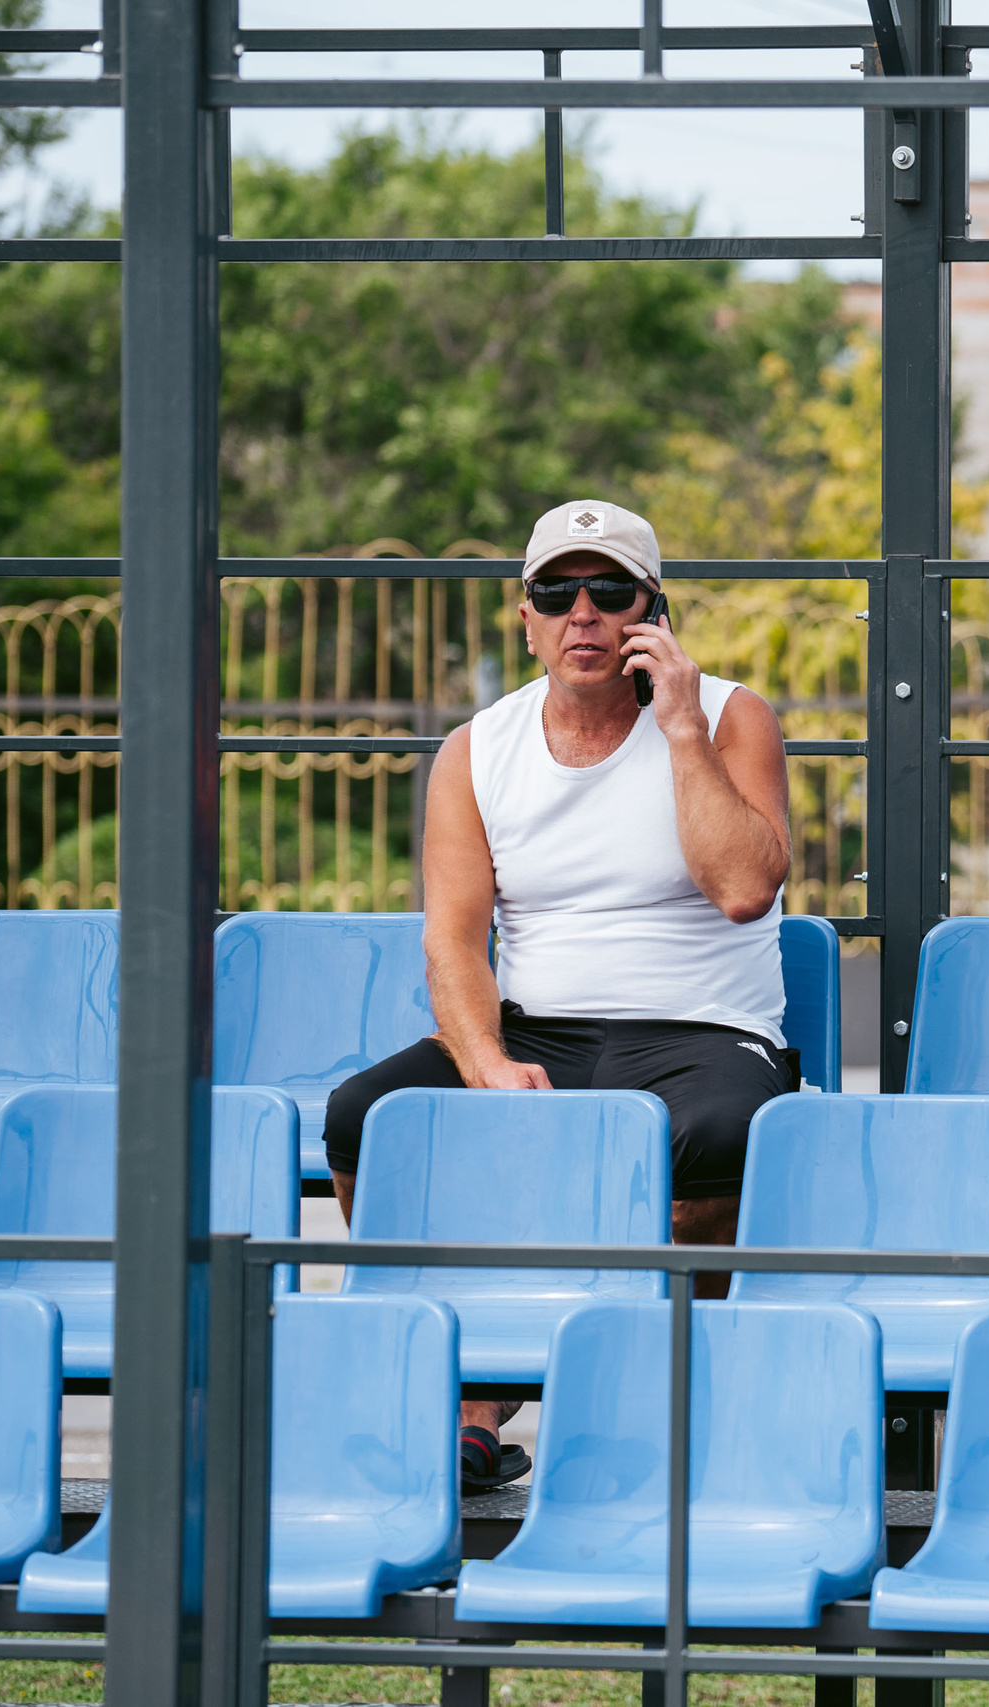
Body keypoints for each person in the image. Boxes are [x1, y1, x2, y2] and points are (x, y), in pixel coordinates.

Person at [322, 498, 795, 1491]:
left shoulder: (728, 717)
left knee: (720, 1132)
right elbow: (451, 939)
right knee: (367, 1117)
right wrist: (486, 1062)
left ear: (652, 613)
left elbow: (746, 888)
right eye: (557, 592)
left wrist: (678, 730)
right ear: (523, 615)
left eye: (610, 591)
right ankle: (467, 1391)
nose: (584, 613)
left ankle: (666, 1394)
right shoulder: (476, 749)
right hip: (544, 1027)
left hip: (704, 1029)